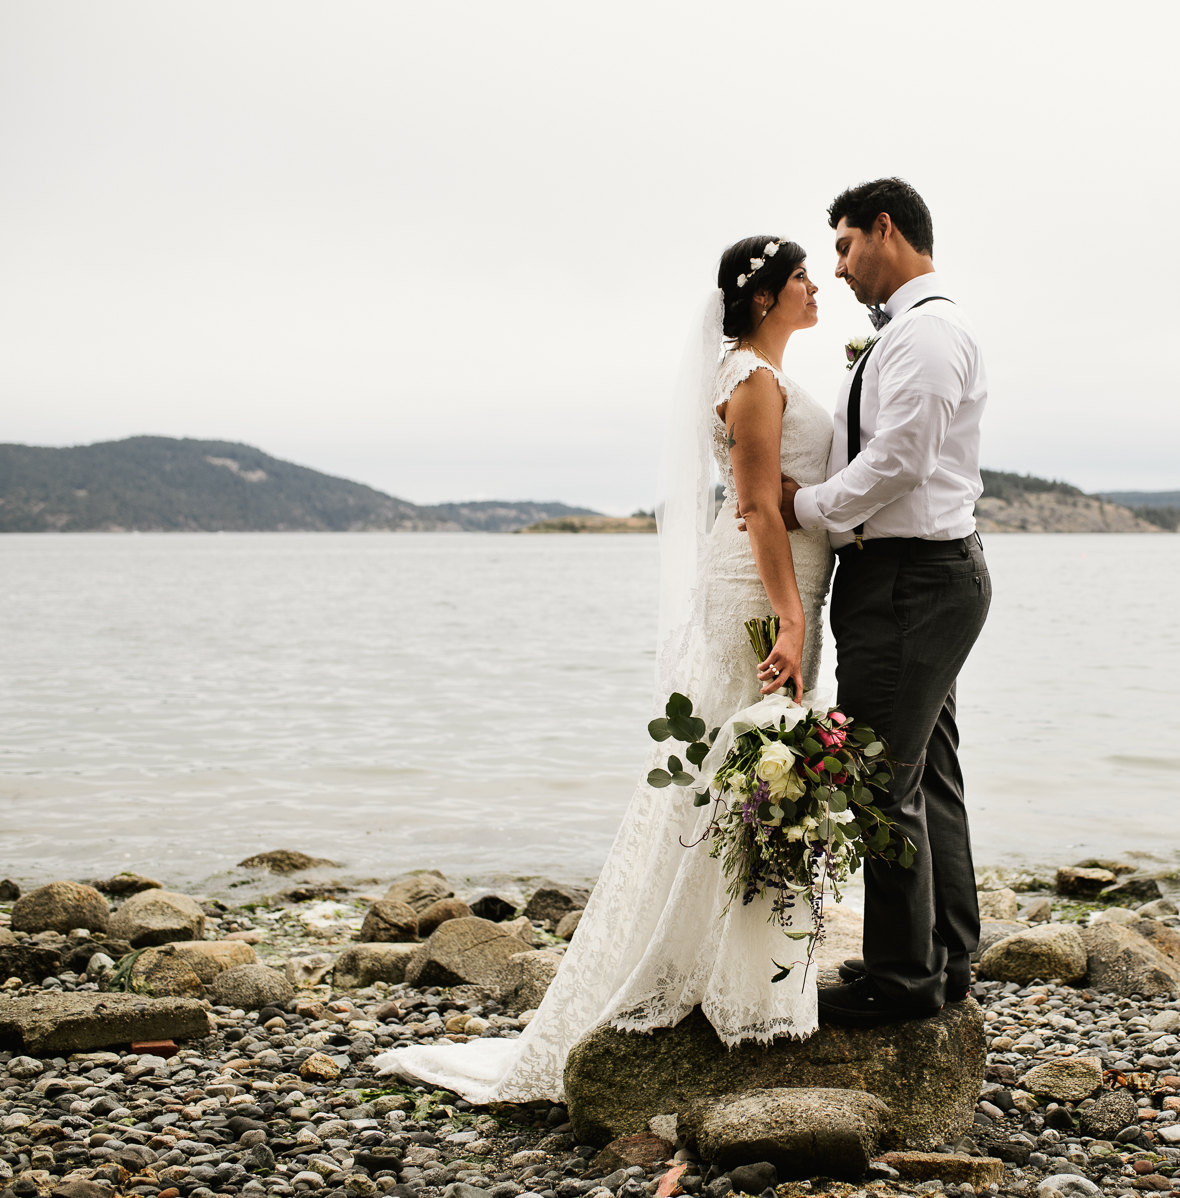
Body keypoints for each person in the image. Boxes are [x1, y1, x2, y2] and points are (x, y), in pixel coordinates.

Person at [373, 236, 835, 1103]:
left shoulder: (759, 374)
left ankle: (744, 973)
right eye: (803, 275)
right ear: (767, 296)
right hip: (765, 595)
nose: (818, 286)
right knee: (741, 774)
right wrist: (793, 617)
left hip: (782, 587)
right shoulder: (751, 383)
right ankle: (702, 974)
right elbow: (759, 507)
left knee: (749, 778)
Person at [779, 177, 993, 1027]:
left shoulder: (929, 334)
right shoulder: (909, 333)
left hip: (912, 580)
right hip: (914, 577)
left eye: (841, 245)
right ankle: (946, 959)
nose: (835, 268)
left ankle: (903, 982)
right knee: (927, 772)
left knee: (879, 781)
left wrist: (806, 508)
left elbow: (900, 460)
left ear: (884, 228)